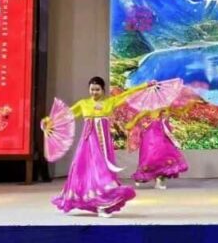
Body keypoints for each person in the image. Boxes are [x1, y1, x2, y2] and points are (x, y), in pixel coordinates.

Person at [44, 76, 151, 217]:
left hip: (103, 144)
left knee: (103, 170)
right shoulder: (83, 103)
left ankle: (103, 204)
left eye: (97, 89)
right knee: (86, 169)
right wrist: (50, 121)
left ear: (103, 90)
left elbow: (127, 94)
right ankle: (95, 202)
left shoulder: (109, 102)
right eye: (92, 89)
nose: (94, 92)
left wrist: (145, 85)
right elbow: (67, 114)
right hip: (88, 142)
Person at [126, 105, 188, 189]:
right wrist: (131, 124)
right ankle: (141, 177)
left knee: (164, 159)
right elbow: (137, 118)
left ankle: (158, 183)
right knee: (150, 159)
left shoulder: (165, 109)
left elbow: (178, 113)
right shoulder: (149, 109)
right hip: (151, 138)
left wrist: (189, 105)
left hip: (162, 138)